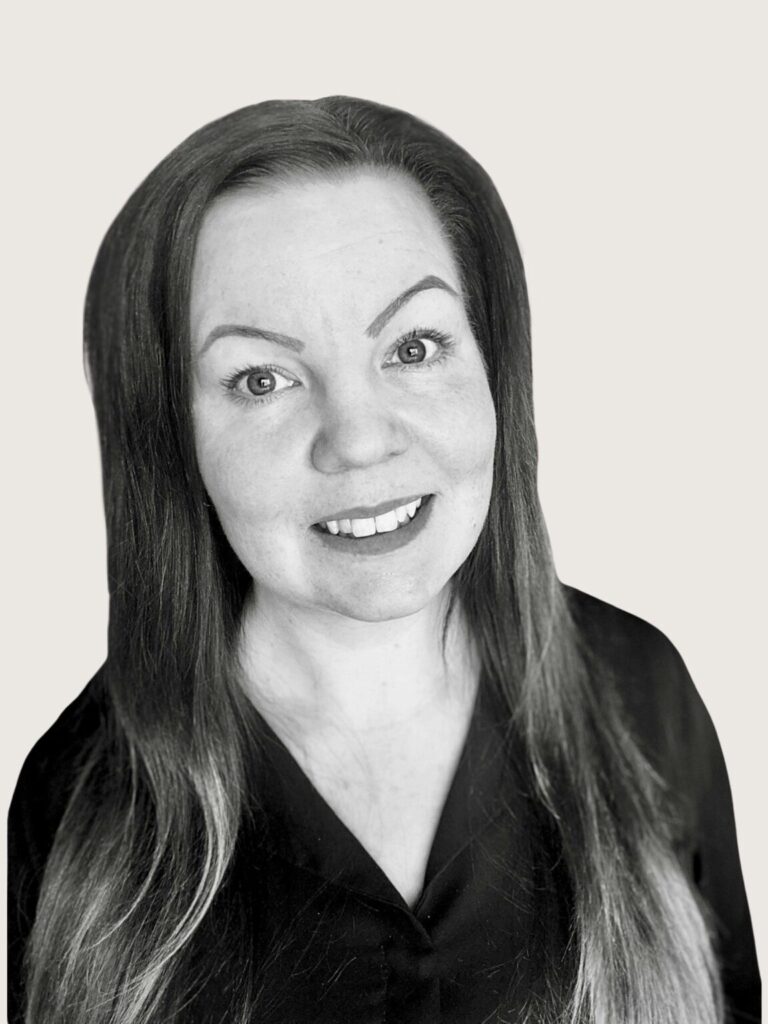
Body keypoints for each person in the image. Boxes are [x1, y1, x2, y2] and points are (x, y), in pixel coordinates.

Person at [7, 96, 760, 1024]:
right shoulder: (78, 794)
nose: (359, 441)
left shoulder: (643, 691)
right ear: (171, 438)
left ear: (495, 369)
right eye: (261, 379)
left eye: (414, 346)